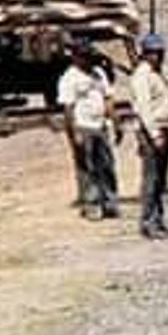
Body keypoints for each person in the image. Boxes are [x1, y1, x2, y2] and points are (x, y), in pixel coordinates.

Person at [57, 37, 119, 220]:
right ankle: (91, 205)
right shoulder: (69, 78)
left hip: (101, 125)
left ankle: (109, 202)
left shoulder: (98, 73)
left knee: (107, 166)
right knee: (86, 168)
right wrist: (73, 133)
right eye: (84, 56)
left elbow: (108, 98)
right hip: (83, 126)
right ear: (76, 57)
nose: (88, 60)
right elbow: (68, 109)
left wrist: (115, 121)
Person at [130, 31, 168, 239]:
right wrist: (155, 134)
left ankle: (158, 219)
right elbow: (144, 108)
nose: (158, 56)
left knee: (160, 179)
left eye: (160, 52)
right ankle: (148, 222)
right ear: (145, 54)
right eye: (153, 52)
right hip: (152, 130)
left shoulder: (156, 74)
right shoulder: (142, 76)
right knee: (151, 178)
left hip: (163, 128)